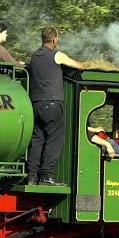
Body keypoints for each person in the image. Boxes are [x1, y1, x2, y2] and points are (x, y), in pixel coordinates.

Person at [25, 26, 84, 185]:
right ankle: (47, 176)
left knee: (37, 140)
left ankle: (32, 177)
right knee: (54, 139)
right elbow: (79, 66)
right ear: (54, 39)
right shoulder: (57, 55)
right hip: (52, 103)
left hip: (35, 104)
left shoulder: (34, 56)